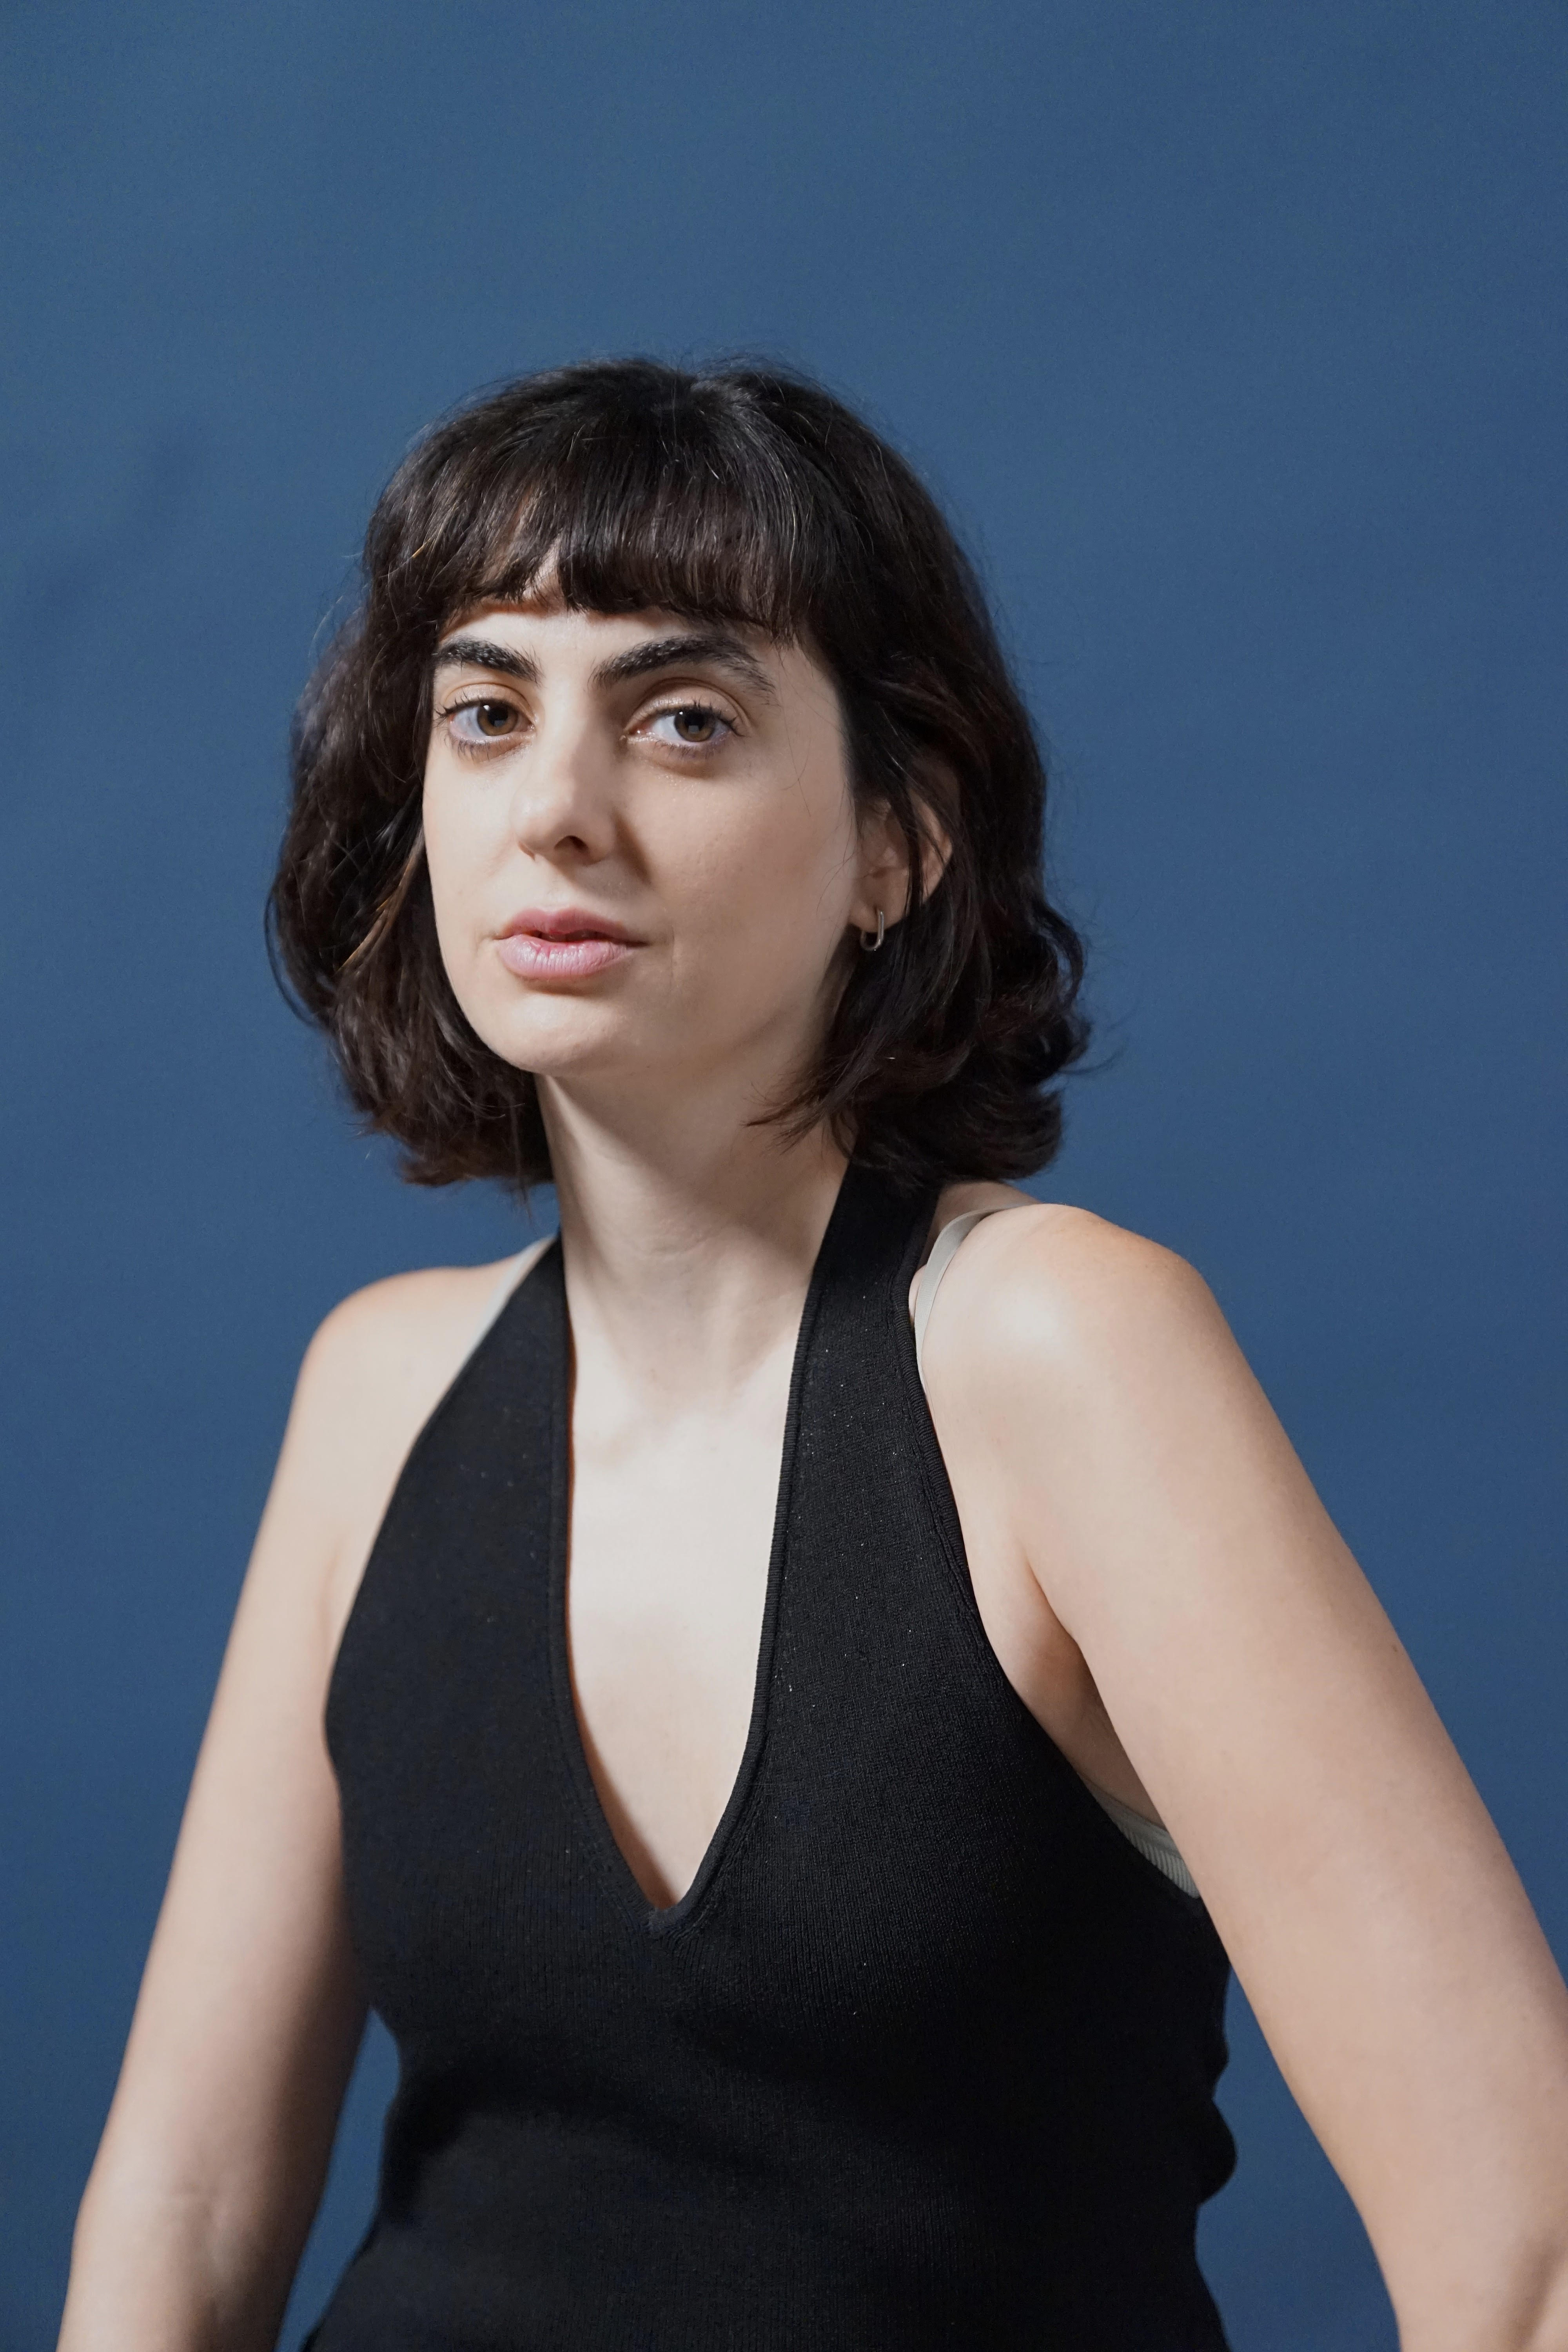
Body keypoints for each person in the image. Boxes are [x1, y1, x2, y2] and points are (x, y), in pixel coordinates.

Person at [58, 359, 1568, 2352]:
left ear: (898, 842)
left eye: (682, 719)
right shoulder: (380, 1390)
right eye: (489, 712)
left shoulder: (1060, 1348)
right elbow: (181, 2218)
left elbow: (1526, 2250)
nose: (558, 810)